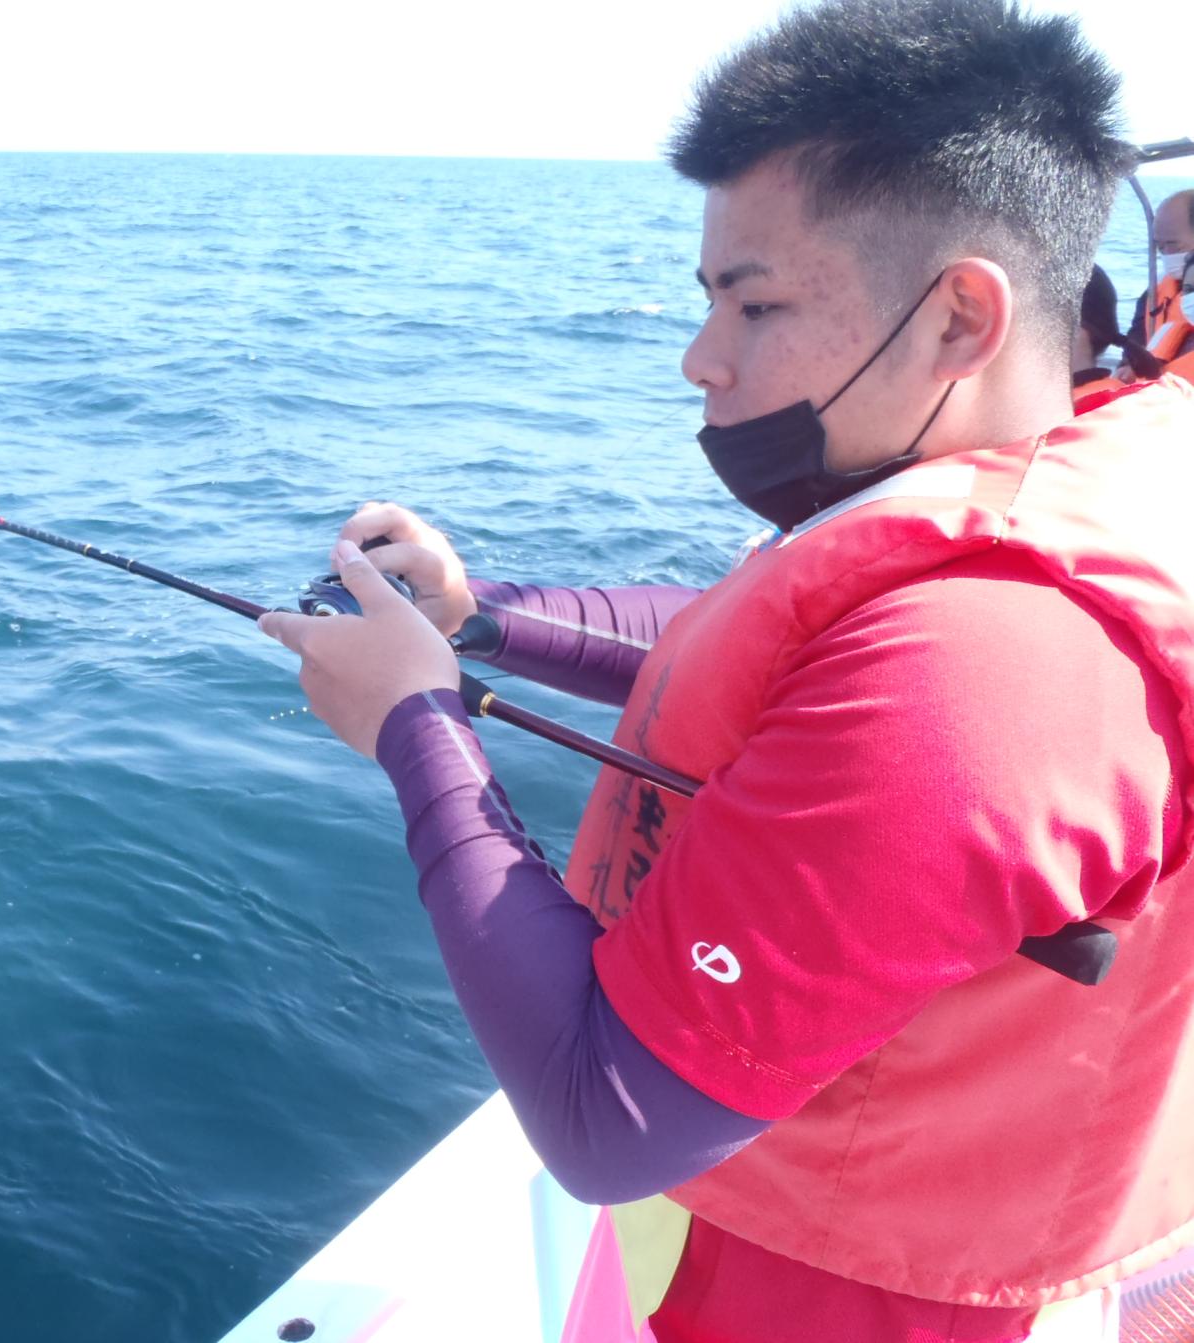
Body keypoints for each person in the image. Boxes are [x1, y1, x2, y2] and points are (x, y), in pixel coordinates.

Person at [258, 2, 1194, 1341]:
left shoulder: (987, 670)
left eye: (750, 304)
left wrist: (412, 725)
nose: (698, 358)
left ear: (958, 318)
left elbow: (603, 1114)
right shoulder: (1058, 475)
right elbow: (781, 646)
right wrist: (475, 621)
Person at [1122, 188, 1194, 375]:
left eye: (1173, 244)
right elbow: (1136, 339)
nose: (1167, 254)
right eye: (1160, 247)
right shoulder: (1154, 296)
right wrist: (1127, 365)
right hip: (1158, 397)